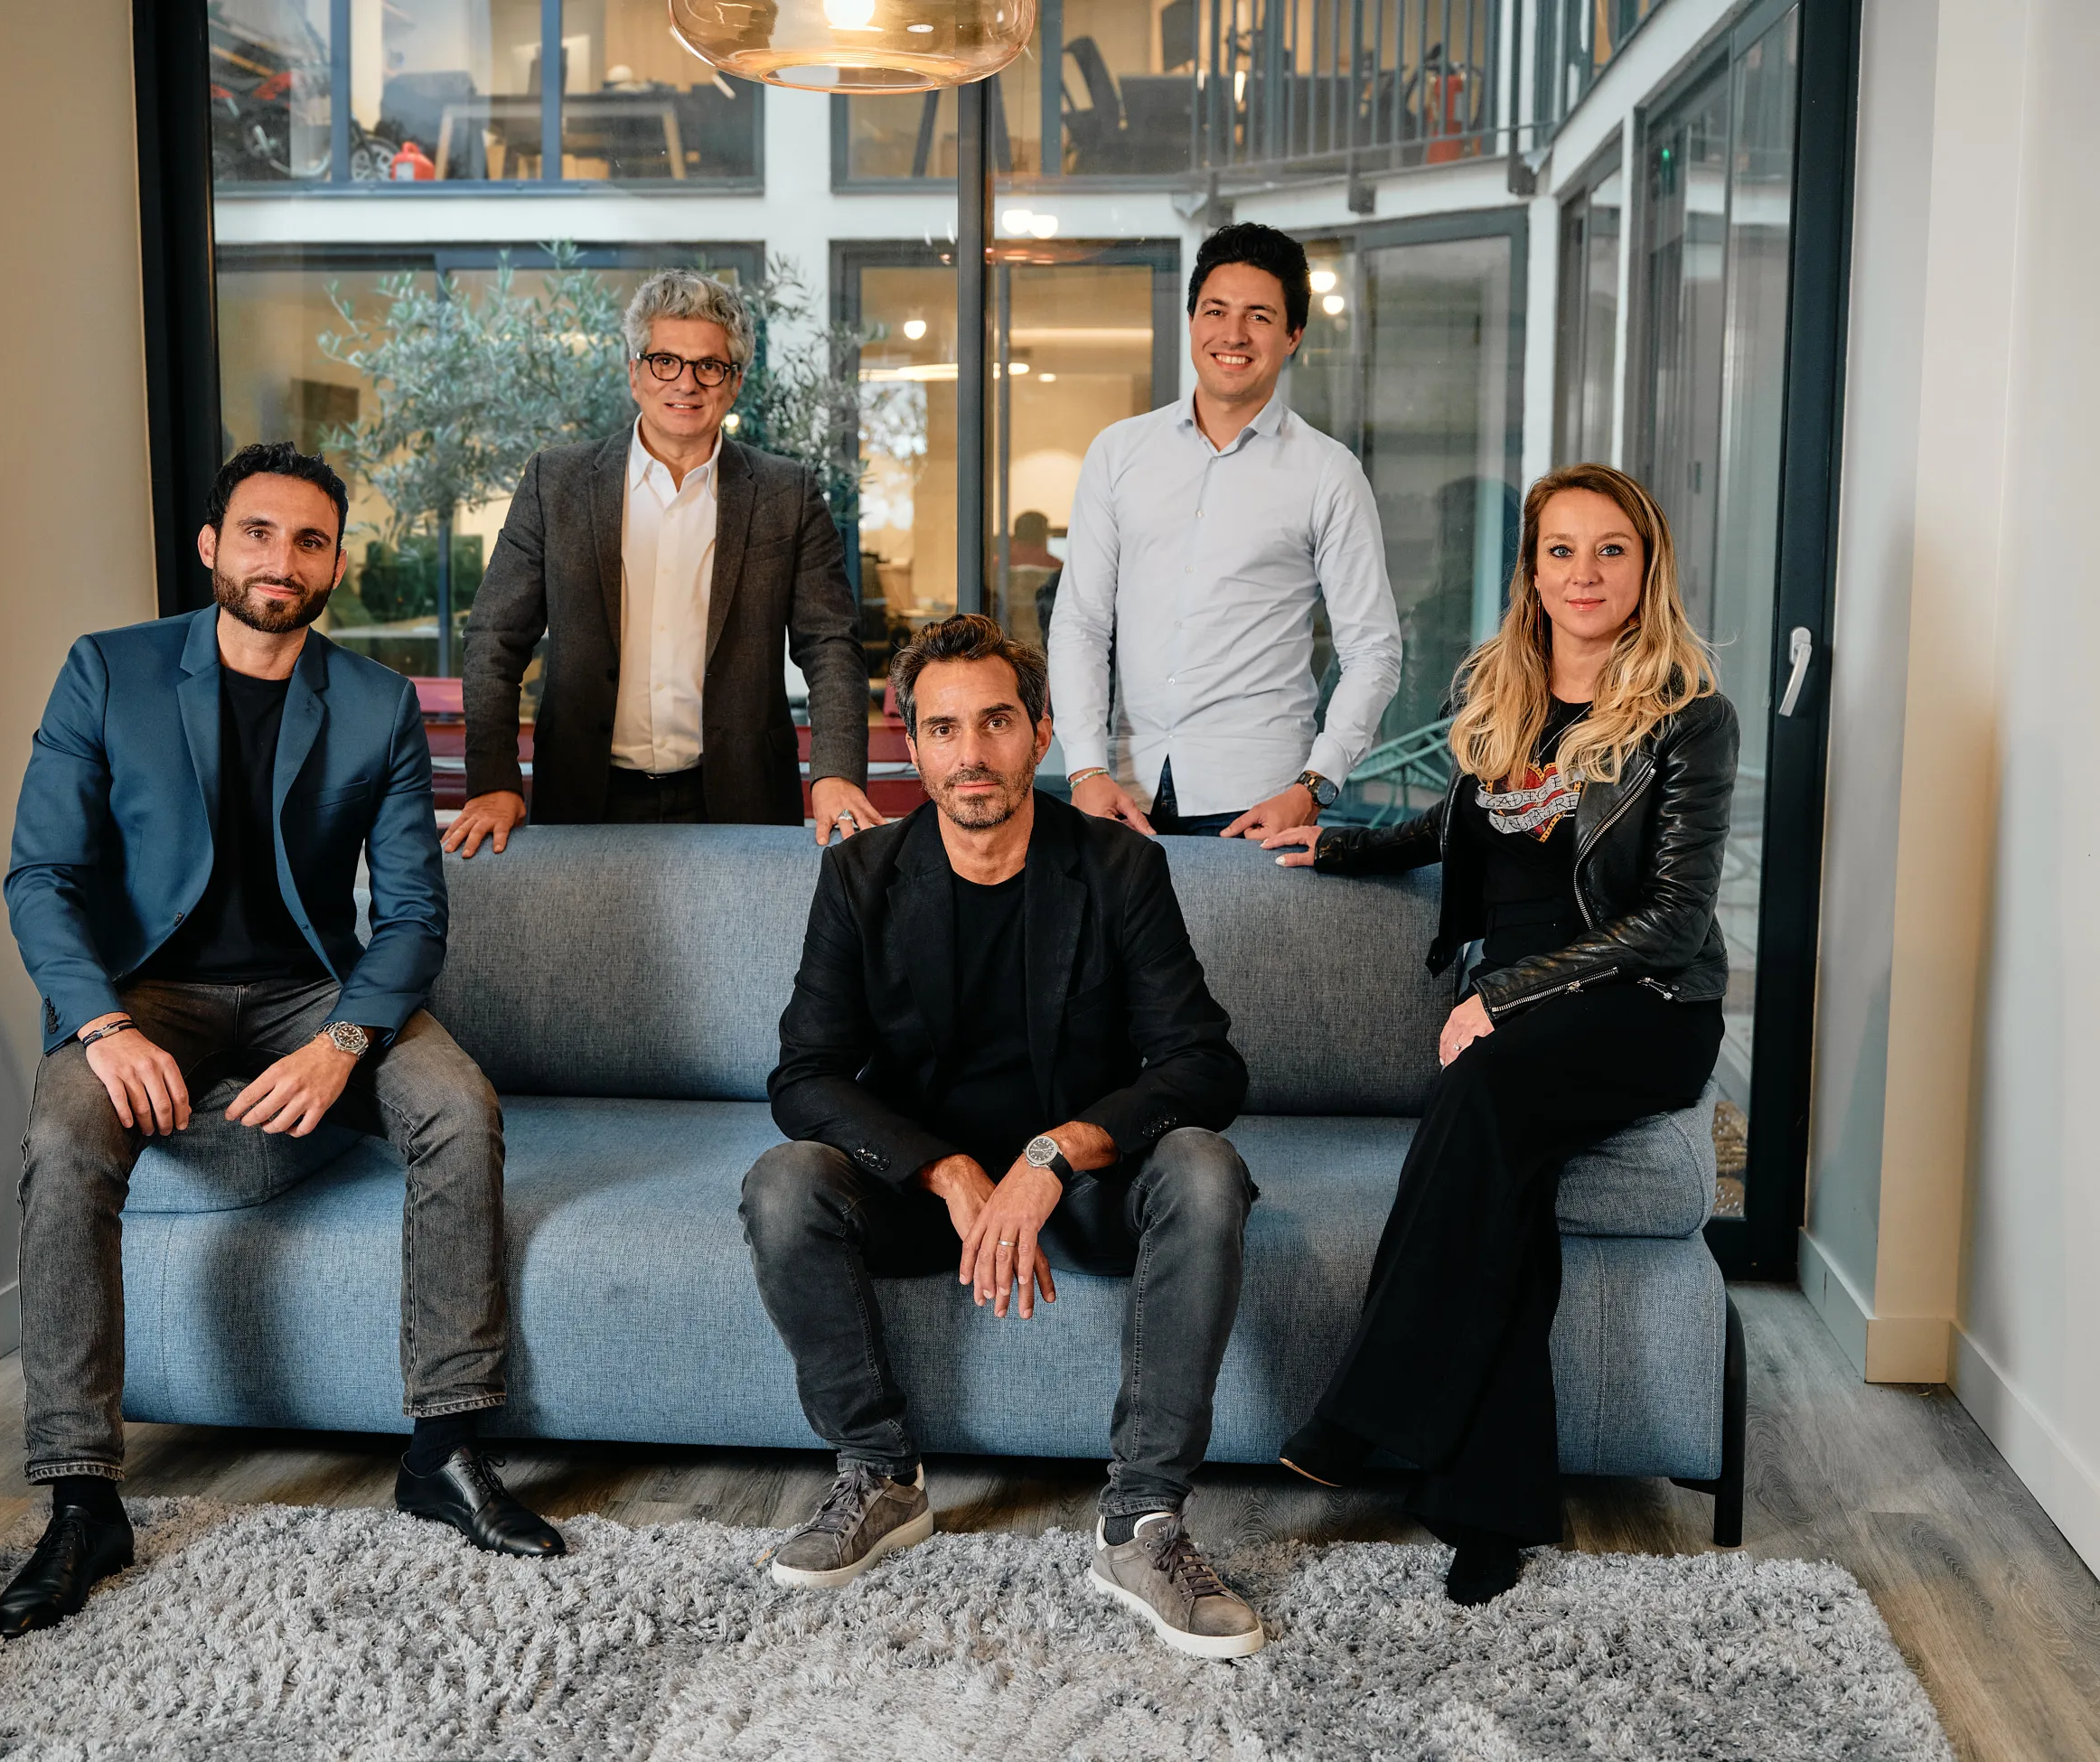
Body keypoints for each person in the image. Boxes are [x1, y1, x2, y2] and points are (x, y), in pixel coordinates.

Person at [0, 443, 562, 1638]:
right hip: (147, 991)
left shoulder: (373, 702)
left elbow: (411, 913)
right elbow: (42, 874)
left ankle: (443, 1446)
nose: (281, 560)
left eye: (309, 541)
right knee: (61, 1130)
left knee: (458, 1104)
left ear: (336, 565)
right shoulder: (110, 673)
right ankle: (83, 1493)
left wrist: (347, 1035)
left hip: (311, 990)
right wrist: (100, 1023)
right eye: (257, 532)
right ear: (211, 547)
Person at [743, 614, 1267, 1660]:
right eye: (943, 730)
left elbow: (1204, 1066)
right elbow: (801, 1077)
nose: (970, 754)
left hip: (1081, 1193)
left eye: (994, 723)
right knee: (784, 1183)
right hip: (927, 1195)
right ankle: (881, 1475)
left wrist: (1053, 1152)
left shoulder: (1118, 870)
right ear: (911, 744)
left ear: (1039, 732)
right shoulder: (860, 880)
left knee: (1207, 1170)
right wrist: (941, 1169)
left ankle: (1142, 1521)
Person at [1261, 463, 1735, 1607]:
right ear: (1530, 570)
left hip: (1642, 1008)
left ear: (1644, 567)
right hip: (1521, 1012)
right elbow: (1455, 821)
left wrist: (1507, 999)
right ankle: (1493, 1507)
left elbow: (1669, 921)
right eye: (1560, 549)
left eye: (1609, 549)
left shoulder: (1686, 716)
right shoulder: (1503, 696)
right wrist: (1334, 841)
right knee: (1503, 1195)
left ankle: (1361, 1408)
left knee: (1477, 1089)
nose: (1584, 572)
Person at [445, 267, 877, 851]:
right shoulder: (556, 482)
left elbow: (831, 646)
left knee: (742, 947)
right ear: (634, 373)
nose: (686, 383)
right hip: (585, 793)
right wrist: (493, 780)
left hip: (738, 794)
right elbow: (494, 638)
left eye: (709, 366)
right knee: (584, 947)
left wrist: (836, 773)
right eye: (664, 361)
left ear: (735, 382)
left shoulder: (788, 493)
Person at [1048, 220, 1402, 839]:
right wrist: (1084, 769)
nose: (1233, 334)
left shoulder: (1328, 473)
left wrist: (1315, 785)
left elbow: (1373, 651)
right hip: (1120, 790)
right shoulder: (1118, 452)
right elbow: (1081, 621)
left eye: (1259, 317)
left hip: (1258, 799)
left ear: (1292, 336)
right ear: (1192, 322)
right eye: (1216, 311)